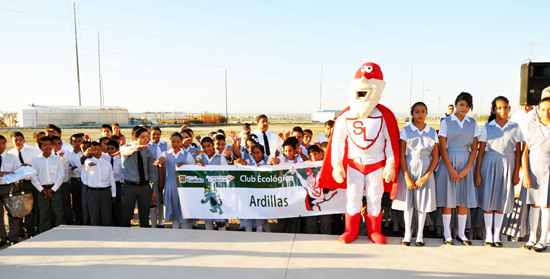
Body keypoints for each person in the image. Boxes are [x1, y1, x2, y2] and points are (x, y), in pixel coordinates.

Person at [474, 96, 521, 248]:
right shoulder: (488, 127)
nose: (502, 110)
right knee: (488, 198)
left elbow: (519, 152)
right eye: (499, 108)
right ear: (493, 110)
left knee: (502, 198)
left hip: (508, 163)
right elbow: (481, 151)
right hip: (489, 163)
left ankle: (497, 235)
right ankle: (489, 236)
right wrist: (478, 172)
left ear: (509, 108)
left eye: (505, 107)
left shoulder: (515, 127)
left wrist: (516, 173)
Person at [435, 92, 480, 246]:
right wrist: (451, 169)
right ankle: (447, 233)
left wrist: (468, 168)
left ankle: (461, 233)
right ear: (455, 105)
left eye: (467, 105)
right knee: (448, 200)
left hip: (465, 162)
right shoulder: (446, 122)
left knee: (463, 200)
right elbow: (442, 147)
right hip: (449, 162)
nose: (464, 108)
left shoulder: (473, 123)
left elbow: (475, 148)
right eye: (462, 104)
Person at [391, 102, 438, 247]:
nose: (420, 114)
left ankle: (420, 235)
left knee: (423, 204)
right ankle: (407, 234)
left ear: (426, 113)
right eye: (417, 111)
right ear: (412, 114)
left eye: (423, 111)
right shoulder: (405, 131)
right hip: (409, 167)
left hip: (425, 168)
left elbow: (436, 157)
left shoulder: (432, 132)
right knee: (408, 204)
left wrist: (426, 176)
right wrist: (406, 176)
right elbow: (402, 154)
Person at [520, 97, 550, 252]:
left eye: (549, 109)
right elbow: (524, 153)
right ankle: (532, 237)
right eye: (543, 109)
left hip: (549, 170)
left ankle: (543, 239)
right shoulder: (529, 127)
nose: (547, 112)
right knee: (534, 204)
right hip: (533, 170)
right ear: (538, 110)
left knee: (546, 205)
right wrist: (526, 175)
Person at [154, 132, 195, 229]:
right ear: (170, 142)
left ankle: (185, 230)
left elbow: (193, 169)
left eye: (178, 141)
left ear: (181, 143)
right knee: (173, 209)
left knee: (184, 208)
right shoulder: (166, 153)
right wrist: (159, 161)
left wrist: (185, 166)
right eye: (173, 141)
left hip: (184, 186)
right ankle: (175, 230)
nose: (175, 144)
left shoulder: (187, 155)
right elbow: (162, 159)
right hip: (171, 185)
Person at [120, 127, 158, 228]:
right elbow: (125, 152)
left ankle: (145, 238)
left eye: (147, 136)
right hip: (129, 188)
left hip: (144, 188)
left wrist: (154, 189)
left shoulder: (148, 152)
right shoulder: (125, 148)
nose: (147, 139)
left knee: (144, 216)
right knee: (126, 215)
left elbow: (151, 172)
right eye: (143, 137)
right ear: (135, 138)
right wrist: (136, 148)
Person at [30, 137, 66, 233]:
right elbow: (34, 176)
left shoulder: (57, 159)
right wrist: (41, 189)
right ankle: (44, 232)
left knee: (58, 211)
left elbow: (60, 175)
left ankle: (61, 231)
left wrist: (53, 189)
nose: (48, 147)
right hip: (42, 190)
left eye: (50, 144)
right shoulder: (36, 160)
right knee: (44, 212)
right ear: (40, 147)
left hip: (55, 189)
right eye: (45, 145)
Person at [9, 131, 41, 237]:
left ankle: (30, 229)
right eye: (15, 140)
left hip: (29, 183)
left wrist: (29, 166)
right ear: (11, 141)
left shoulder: (32, 152)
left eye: (20, 139)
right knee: (18, 208)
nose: (18, 142)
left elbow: (38, 165)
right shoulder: (10, 154)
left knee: (29, 208)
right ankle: (20, 231)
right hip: (16, 184)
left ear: (24, 140)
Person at [269, 138, 302, 233]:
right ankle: (281, 237)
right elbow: (275, 160)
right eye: (286, 151)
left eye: (290, 150)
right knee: (282, 218)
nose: (288, 153)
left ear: (295, 151)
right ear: (283, 151)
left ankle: (294, 236)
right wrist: (273, 159)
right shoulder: (282, 160)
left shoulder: (299, 162)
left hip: (295, 195)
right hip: (283, 195)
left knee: (293, 218)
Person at [195, 136, 228, 230]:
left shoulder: (221, 158)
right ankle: (209, 240)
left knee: (219, 220)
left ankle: (224, 238)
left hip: (218, 191)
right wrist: (198, 161)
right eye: (204, 147)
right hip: (205, 190)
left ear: (213, 145)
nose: (206, 149)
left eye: (208, 146)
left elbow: (225, 173)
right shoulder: (200, 157)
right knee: (208, 218)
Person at [84, 142, 116, 226]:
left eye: (99, 149)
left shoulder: (106, 163)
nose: (97, 152)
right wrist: (89, 163)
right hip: (92, 192)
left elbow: (111, 179)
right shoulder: (88, 161)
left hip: (105, 192)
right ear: (91, 151)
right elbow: (87, 164)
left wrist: (113, 194)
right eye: (95, 150)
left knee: (106, 216)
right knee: (94, 216)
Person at [0, 135, 22, 246]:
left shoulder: (11, 157)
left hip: (10, 187)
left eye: (3, 143)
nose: (1, 146)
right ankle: (2, 238)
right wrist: (4, 173)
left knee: (13, 214)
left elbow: (17, 172)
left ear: (6, 143)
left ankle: (13, 237)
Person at [51, 136, 72, 227]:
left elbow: (67, 157)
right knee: (56, 204)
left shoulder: (65, 152)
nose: (57, 146)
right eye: (54, 144)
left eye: (59, 143)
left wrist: (61, 155)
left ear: (61, 144)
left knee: (65, 203)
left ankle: (68, 222)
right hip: (53, 183)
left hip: (63, 183)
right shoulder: (49, 154)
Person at [68, 134, 84, 225]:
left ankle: (86, 220)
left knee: (84, 201)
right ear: (71, 142)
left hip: (83, 180)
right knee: (75, 201)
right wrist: (71, 168)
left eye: (79, 141)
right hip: (74, 180)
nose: (77, 143)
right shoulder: (69, 154)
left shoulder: (84, 154)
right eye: (75, 141)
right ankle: (78, 220)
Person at [106, 140, 123, 226]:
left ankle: (118, 225)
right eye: (108, 149)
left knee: (117, 208)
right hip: (107, 186)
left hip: (117, 185)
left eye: (112, 149)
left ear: (117, 149)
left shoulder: (121, 159)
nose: (110, 151)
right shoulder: (105, 158)